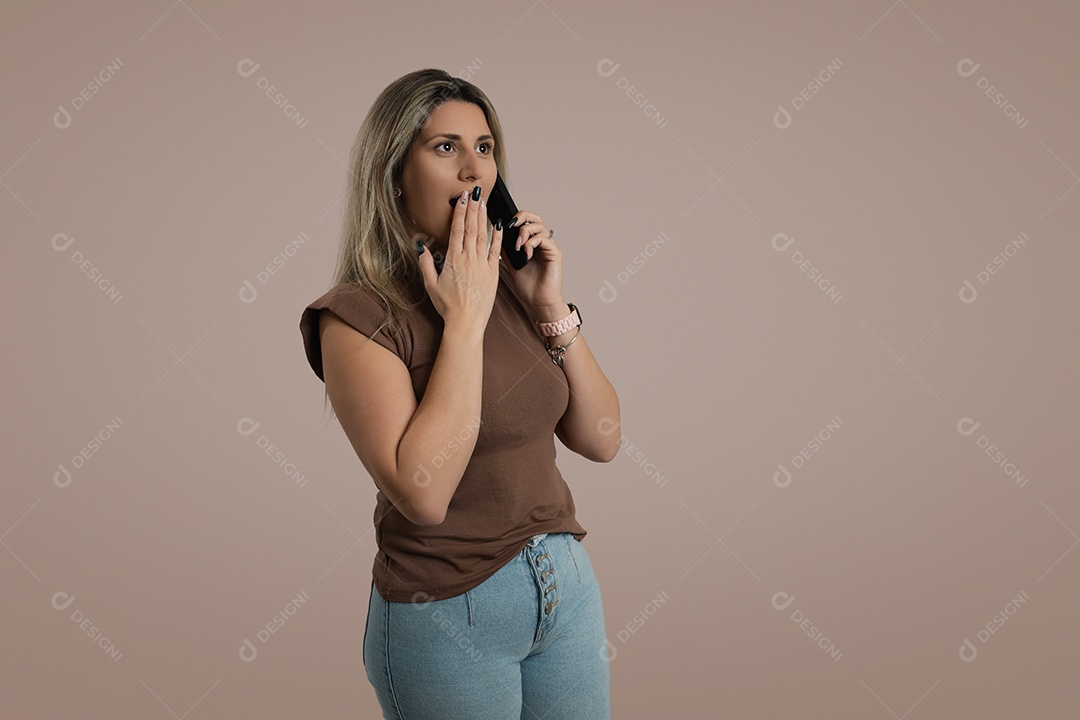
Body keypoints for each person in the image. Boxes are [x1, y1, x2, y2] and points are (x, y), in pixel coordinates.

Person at [298, 68, 620, 719]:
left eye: (485, 147)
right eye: (445, 147)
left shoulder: (514, 286)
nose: (474, 170)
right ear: (393, 174)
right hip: (448, 610)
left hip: (564, 589)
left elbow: (602, 439)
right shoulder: (357, 315)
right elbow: (422, 493)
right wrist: (465, 321)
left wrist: (551, 307)